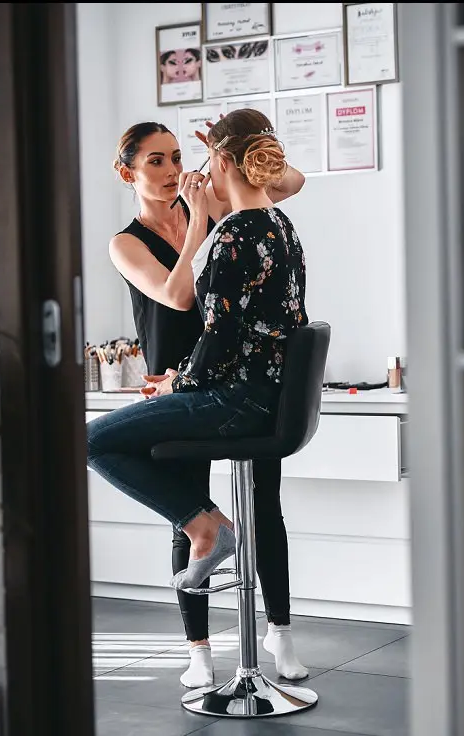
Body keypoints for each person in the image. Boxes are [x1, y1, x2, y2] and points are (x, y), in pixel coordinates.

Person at [94, 110, 309, 688]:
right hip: (186, 379)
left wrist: (239, 148)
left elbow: (286, 183)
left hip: (232, 378)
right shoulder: (126, 243)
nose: (170, 171)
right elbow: (177, 297)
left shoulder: (214, 203)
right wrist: (198, 227)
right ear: (127, 174)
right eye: (154, 161)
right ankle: (198, 650)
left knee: (267, 506)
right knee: (186, 514)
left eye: (177, 157)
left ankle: (280, 632)